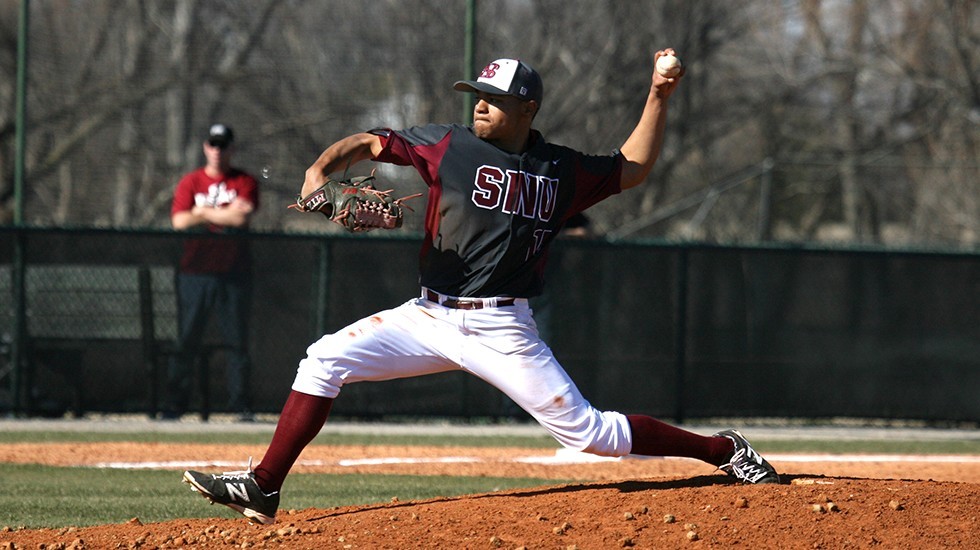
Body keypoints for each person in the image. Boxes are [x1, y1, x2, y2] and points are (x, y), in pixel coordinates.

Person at [182, 51, 779, 525]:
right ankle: (263, 486)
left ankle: (722, 450)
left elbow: (634, 167)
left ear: (528, 109)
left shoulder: (559, 169)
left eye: (495, 100)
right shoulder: (448, 145)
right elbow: (369, 142)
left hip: (502, 325)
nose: (481, 108)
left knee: (591, 435)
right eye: (477, 97)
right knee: (323, 360)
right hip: (429, 315)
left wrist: (657, 95)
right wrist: (319, 171)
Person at [164, 124, 259, 421]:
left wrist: (202, 213)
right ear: (206, 147)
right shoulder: (190, 181)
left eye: (223, 145)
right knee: (187, 339)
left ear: (232, 148)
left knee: (236, 342)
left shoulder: (244, 181)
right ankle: (175, 405)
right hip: (194, 273)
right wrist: (214, 214)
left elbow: (241, 216)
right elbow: (179, 221)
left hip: (233, 274)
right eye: (213, 144)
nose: (217, 150)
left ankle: (240, 405)